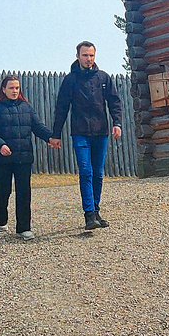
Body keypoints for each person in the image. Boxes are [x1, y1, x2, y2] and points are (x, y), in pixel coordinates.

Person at [50, 41, 123, 231]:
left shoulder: (104, 78)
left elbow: (114, 102)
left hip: (101, 132)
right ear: (77, 56)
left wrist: (117, 123)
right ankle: (89, 214)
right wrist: (56, 134)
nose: (88, 59)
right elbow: (61, 108)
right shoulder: (70, 80)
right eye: (85, 55)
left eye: (91, 55)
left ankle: (96, 211)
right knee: (86, 171)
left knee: (98, 173)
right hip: (80, 133)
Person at [0, 74, 53, 239]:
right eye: (11, 88)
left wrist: (50, 137)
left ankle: (24, 228)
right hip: (2, 159)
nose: (15, 91)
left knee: (24, 192)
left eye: (17, 88)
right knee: (3, 191)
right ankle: (1, 219)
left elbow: (37, 126)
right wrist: (0, 145)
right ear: (3, 89)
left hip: (23, 157)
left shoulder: (26, 107)